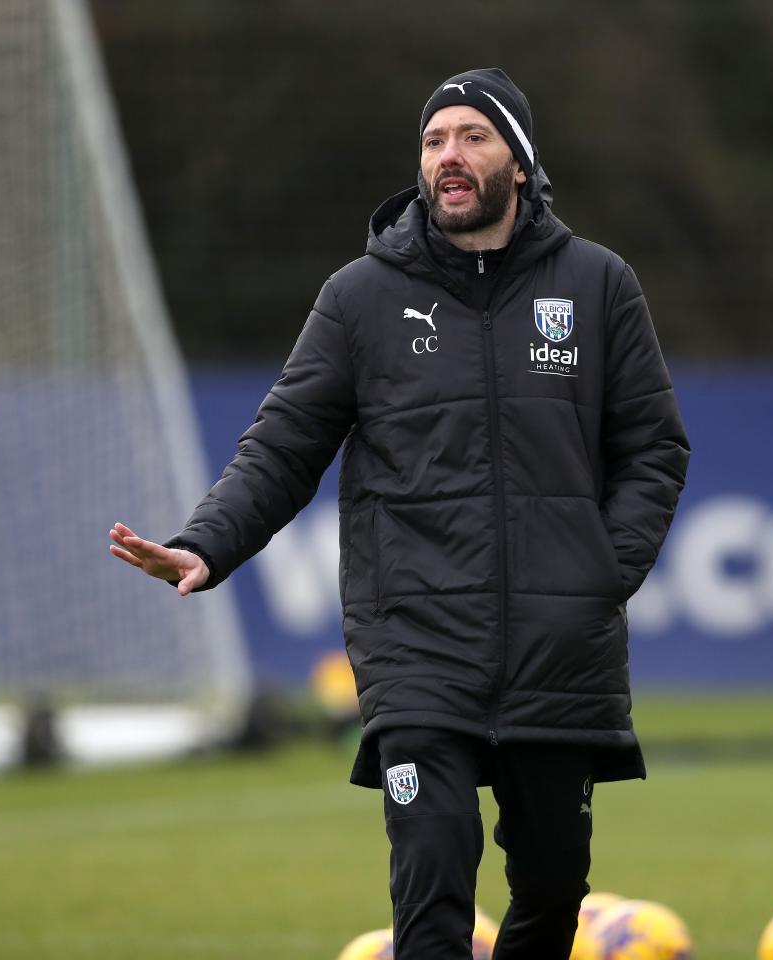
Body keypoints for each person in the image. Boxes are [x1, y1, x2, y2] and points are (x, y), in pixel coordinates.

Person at [109, 67, 689, 960]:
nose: (448, 155)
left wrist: (600, 575)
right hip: (415, 644)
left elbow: (654, 448)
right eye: (433, 139)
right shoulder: (360, 298)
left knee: (551, 889)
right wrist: (206, 543)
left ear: (520, 163)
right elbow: (282, 447)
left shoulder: (598, 285)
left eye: (473, 137)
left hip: (558, 650)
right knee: (431, 876)